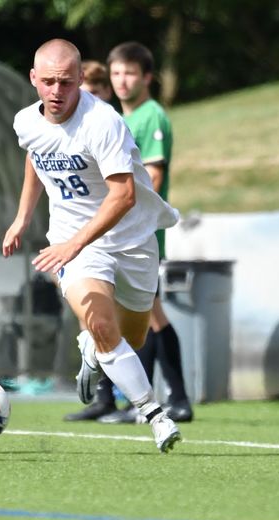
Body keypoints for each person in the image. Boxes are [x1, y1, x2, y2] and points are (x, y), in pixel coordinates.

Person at [2, 39, 182, 453]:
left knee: (130, 339)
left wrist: (73, 244)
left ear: (82, 79)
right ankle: (154, 413)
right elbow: (35, 153)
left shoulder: (102, 122)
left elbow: (124, 197)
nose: (56, 91)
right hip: (78, 245)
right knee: (101, 325)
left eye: (66, 82)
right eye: (47, 82)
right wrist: (23, 218)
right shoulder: (26, 122)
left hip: (132, 238)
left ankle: (95, 353)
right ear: (33, 79)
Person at [65, 43, 193, 424]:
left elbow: (151, 178)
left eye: (130, 73)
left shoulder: (151, 116)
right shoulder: (120, 117)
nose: (121, 81)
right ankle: (117, 399)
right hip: (114, 236)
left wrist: (116, 215)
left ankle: (173, 398)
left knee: (151, 317)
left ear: (147, 78)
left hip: (136, 236)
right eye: (116, 73)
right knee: (114, 316)